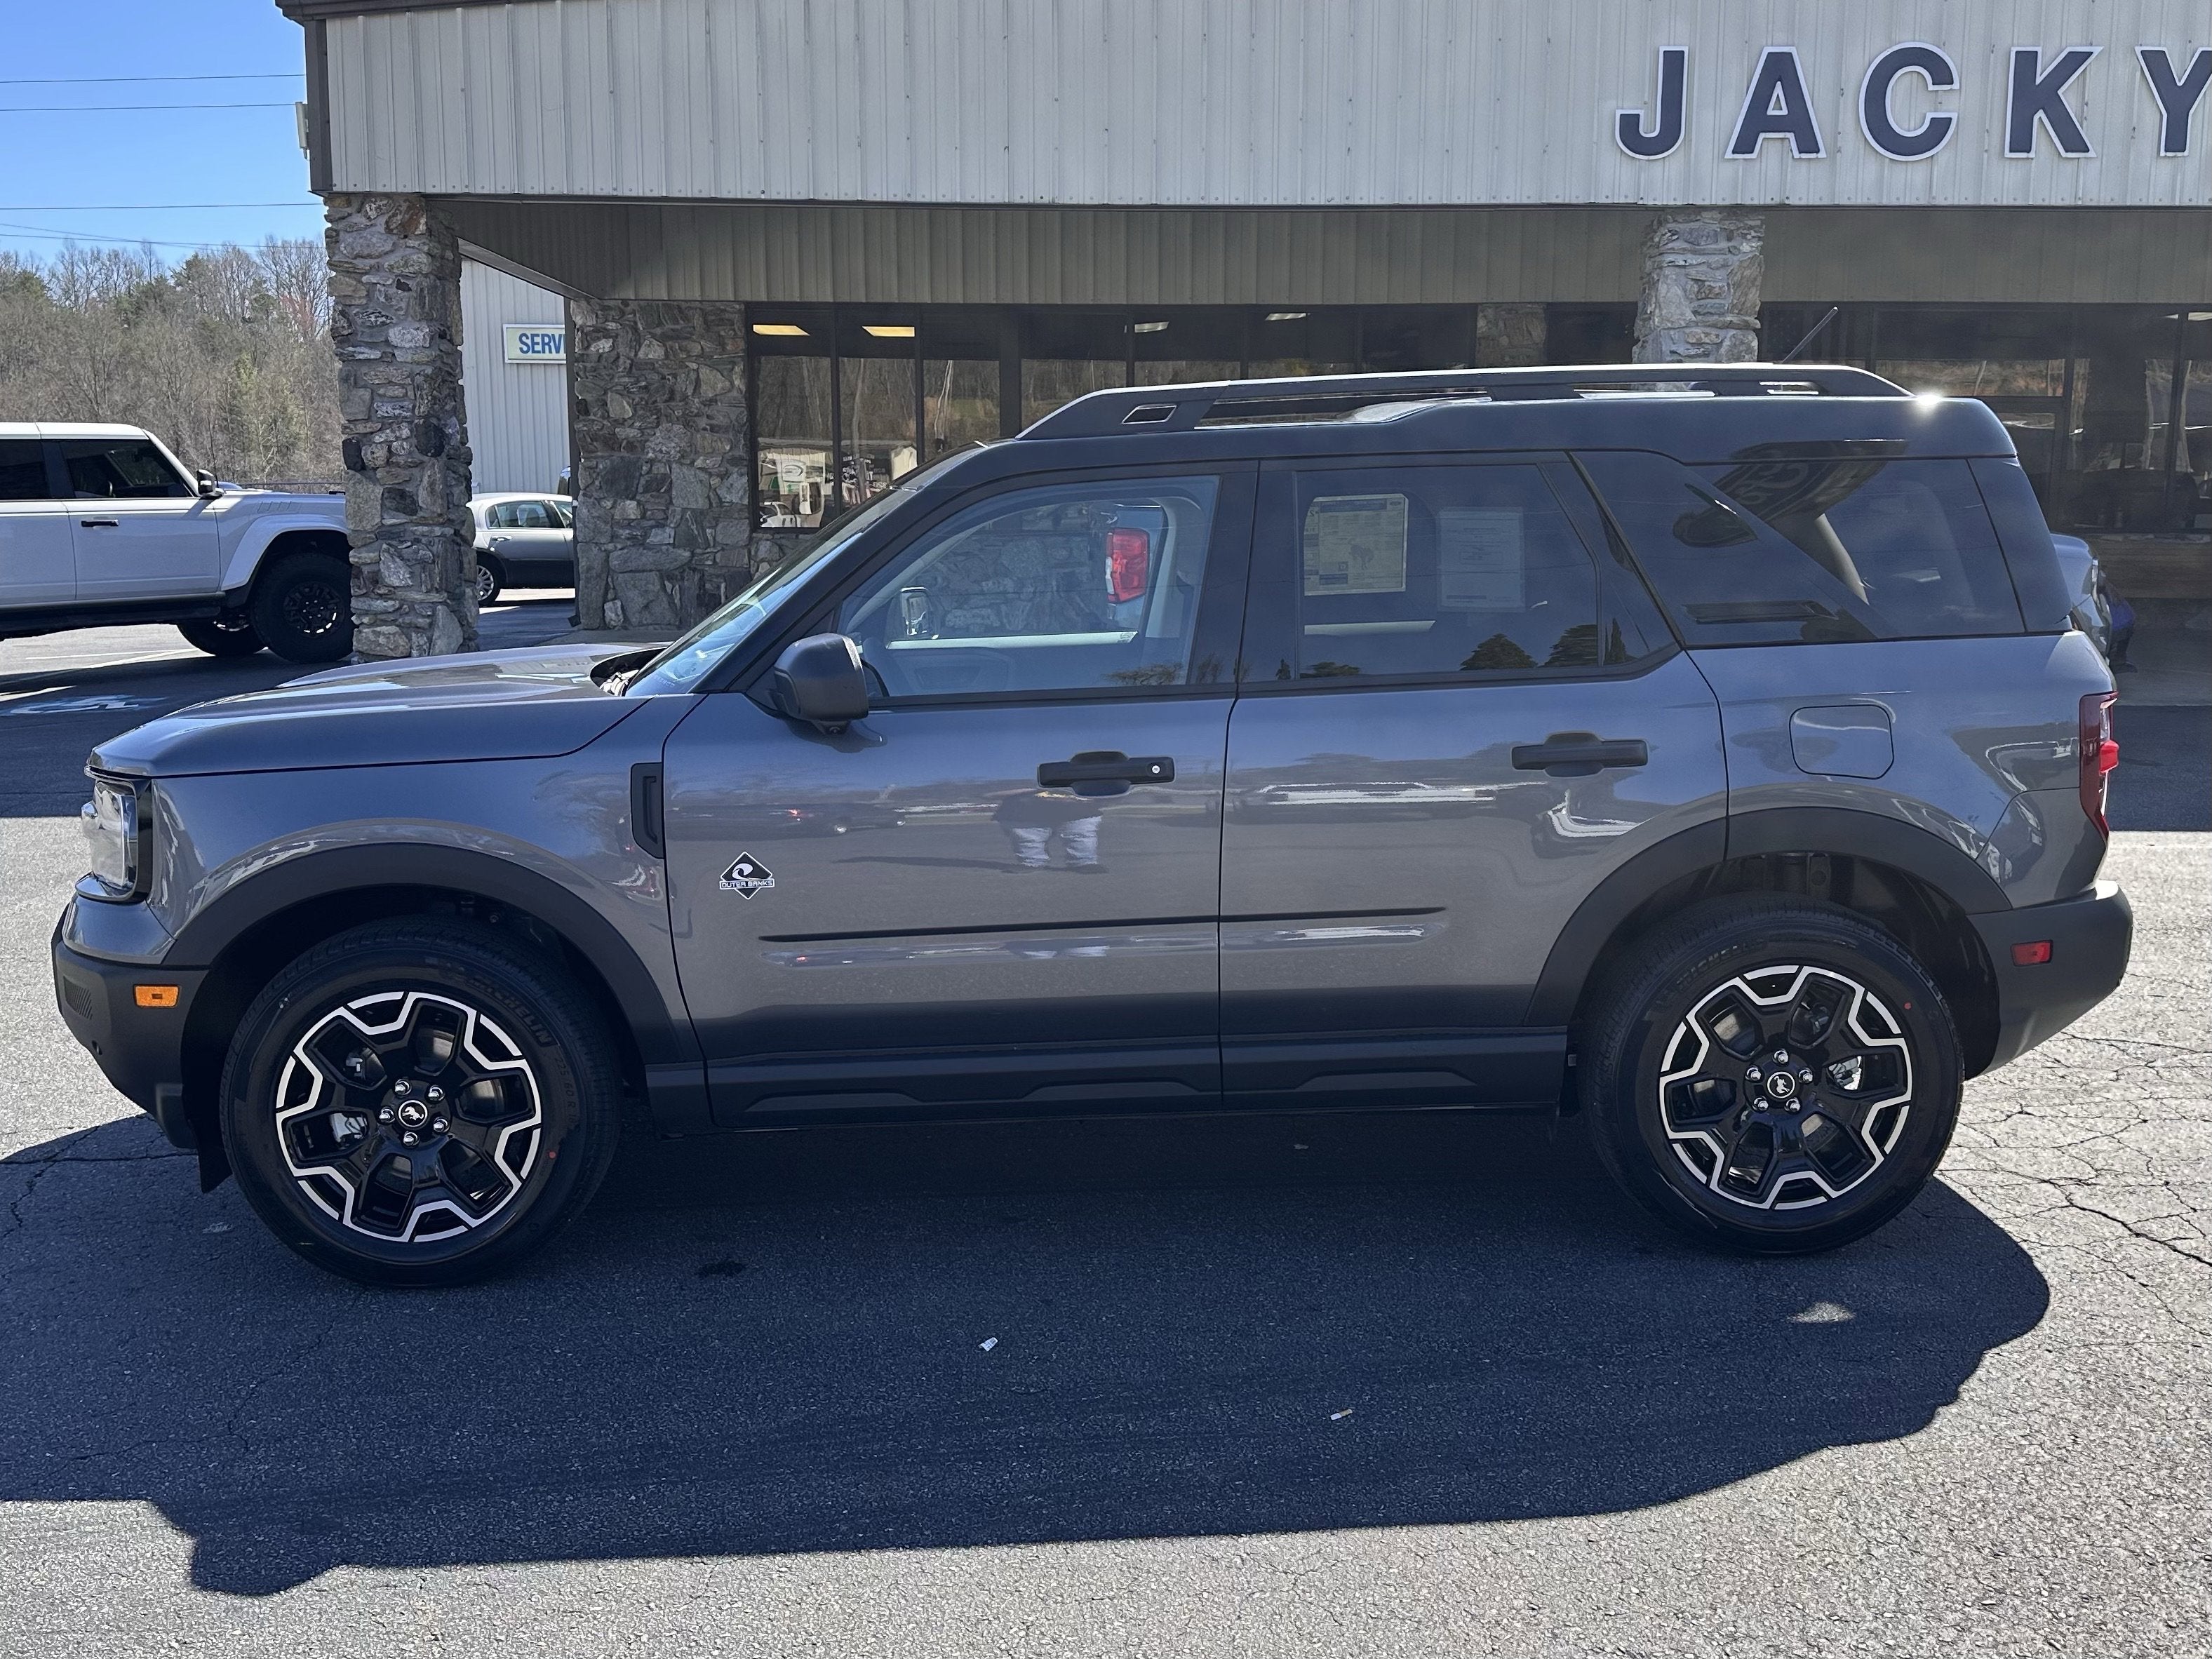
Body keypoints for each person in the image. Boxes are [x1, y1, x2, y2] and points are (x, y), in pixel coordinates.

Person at [993, 786, 1106, 873]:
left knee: (1080, 835)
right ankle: (1031, 861)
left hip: (1078, 809)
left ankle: (1084, 861)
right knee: (1027, 838)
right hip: (1023, 810)